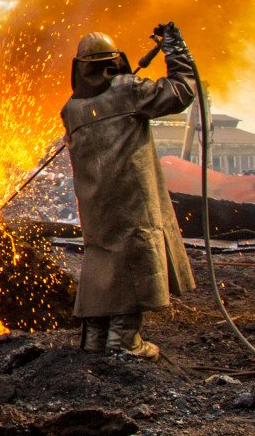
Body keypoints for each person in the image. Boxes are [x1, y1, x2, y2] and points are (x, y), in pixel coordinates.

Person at [63, 23, 196, 359]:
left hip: (95, 206)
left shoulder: (71, 109)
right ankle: (125, 342)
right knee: (134, 257)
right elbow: (182, 91)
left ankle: (95, 340)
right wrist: (175, 49)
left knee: (101, 261)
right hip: (131, 199)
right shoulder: (127, 90)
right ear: (113, 61)